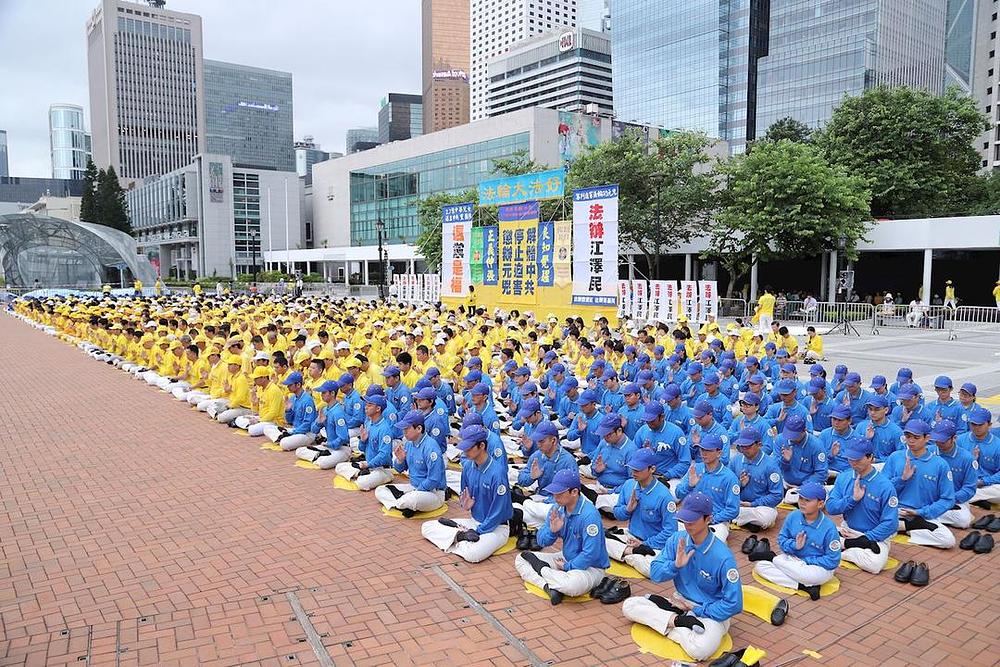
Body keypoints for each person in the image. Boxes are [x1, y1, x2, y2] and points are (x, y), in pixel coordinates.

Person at [622, 492, 743, 662]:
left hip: (710, 611)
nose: (687, 524)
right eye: (685, 518)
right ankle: (678, 621)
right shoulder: (677, 540)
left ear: (708, 519)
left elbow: (734, 604)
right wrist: (675, 565)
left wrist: (697, 610)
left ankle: (668, 622)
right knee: (629, 605)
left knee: (700, 650)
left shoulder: (723, 557)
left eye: (693, 519)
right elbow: (655, 573)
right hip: (680, 602)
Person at [513, 469, 610, 605]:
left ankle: (542, 570)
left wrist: (567, 567)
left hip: (591, 568)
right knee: (520, 559)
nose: (555, 496)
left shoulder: (590, 515)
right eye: (554, 492)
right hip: (565, 558)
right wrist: (553, 531)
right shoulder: (557, 509)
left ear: (574, 492)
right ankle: (547, 586)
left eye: (560, 493)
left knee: (572, 586)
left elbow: (590, 554)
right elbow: (541, 540)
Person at [422, 424, 513, 562]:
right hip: (473, 522)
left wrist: (478, 531)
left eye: (469, 447)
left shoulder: (497, 473)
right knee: (427, 527)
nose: (464, 451)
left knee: (473, 555)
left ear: (482, 446)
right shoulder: (468, 467)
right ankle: (460, 539)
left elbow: (498, 513)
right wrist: (466, 505)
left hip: (496, 528)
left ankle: (457, 539)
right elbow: (465, 495)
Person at [750, 482, 841, 601]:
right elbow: (781, 540)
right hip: (792, 560)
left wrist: (806, 561)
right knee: (761, 567)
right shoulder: (793, 516)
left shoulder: (829, 528)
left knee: (808, 576)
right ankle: (803, 586)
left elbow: (832, 561)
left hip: (816, 567)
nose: (802, 502)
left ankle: (773, 558)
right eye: (801, 498)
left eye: (807, 500)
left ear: (820, 504)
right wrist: (795, 546)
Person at [825, 437, 899, 574]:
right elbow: (830, 507)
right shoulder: (844, 477)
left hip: (874, 536)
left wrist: (865, 538)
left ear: (870, 457)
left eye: (857, 459)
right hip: (848, 530)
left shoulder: (885, 486)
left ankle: (842, 550)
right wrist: (852, 499)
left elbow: (890, 523)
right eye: (850, 459)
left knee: (875, 565)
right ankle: (848, 546)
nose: (853, 463)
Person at [884, 420, 956, 549]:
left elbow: (948, 499)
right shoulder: (895, 457)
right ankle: (908, 528)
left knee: (948, 540)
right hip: (895, 511)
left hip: (922, 515)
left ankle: (902, 527)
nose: (911, 441)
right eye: (908, 436)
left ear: (927, 438)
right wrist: (902, 479)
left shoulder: (940, 464)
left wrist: (920, 512)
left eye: (916, 437)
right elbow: (882, 490)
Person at [606, 448, 678, 577]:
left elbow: (670, 531)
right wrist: (627, 510)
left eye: (638, 469)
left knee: (652, 570)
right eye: (633, 468)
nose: (634, 472)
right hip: (631, 538)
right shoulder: (629, 485)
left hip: (652, 544)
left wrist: (645, 544)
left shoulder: (664, 496)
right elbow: (617, 513)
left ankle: (627, 554)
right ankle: (631, 553)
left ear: (652, 469)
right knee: (599, 539)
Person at [375, 410, 447, 517]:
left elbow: (433, 479)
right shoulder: (409, 444)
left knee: (413, 499)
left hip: (433, 492)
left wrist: (416, 491)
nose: (404, 432)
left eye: (407, 428)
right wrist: (400, 460)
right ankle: (403, 504)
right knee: (380, 490)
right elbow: (399, 469)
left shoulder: (431, 447)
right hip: (413, 487)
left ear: (419, 429)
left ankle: (403, 503)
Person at [674, 434, 740, 541]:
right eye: (702, 449)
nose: (703, 453)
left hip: (715, 522)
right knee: (671, 535)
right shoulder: (695, 468)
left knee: (711, 542)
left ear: (719, 453)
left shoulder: (729, 477)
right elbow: (678, 493)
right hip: (690, 517)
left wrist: (711, 519)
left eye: (708, 450)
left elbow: (733, 510)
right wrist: (689, 486)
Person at [334, 395, 396, 491]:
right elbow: (362, 449)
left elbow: (384, 455)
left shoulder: (384, 429)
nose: (366, 407)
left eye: (370, 405)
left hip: (382, 469)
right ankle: (361, 474)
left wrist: (368, 465)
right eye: (366, 404)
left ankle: (370, 476)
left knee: (362, 483)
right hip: (368, 465)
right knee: (339, 466)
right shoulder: (369, 424)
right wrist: (362, 441)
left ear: (378, 409)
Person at [729, 428, 783, 531]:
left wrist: (752, 504)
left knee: (765, 519)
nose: (744, 449)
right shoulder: (736, 459)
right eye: (742, 446)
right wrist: (740, 484)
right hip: (738, 502)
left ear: (759, 444)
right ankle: (744, 519)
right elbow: (727, 486)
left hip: (761, 507)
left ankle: (737, 517)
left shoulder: (770, 465)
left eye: (748, 446)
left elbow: (777, 495)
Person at [930, 420, 977, 529]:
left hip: (953, 499)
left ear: (954, 438)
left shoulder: (966, 458)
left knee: (964, 521)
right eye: (936, 439)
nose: (938, 443)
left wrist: (948, 498)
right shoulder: (929, 452)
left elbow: (969, 489)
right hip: (929, 497)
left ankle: (924, 518)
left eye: (943, 441)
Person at [776, 415, 828, 504]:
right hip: (785, 483)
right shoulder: (780, 439)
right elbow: (775, 467)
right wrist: (785, 460)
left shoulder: (816, 445)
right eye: (789, 434)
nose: (790, 438)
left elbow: (821, 473)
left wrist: (803, 488)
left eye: (794, 435)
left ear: (804, 431)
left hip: (807, 486)